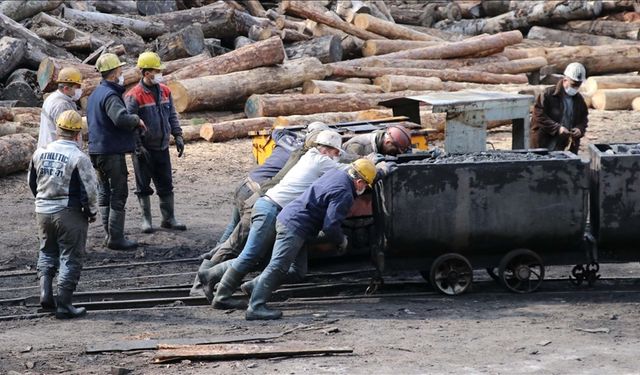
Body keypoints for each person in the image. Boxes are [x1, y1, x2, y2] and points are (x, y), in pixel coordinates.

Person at [200, 130, 346, 308]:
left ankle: (238, 283)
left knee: (292, 268)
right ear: (327, 149)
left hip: (281, 212)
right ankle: (218, 289)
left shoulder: (310, 155)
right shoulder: (321, 161)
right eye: (336, 152)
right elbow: (347, 172)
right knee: (251, 255)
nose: (336, 156)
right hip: (272, 209)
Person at [245, 158, 377, 320]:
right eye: (365, 185)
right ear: (358, 181)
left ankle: (254, 286)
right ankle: (255, 307)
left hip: (294, 221)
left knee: (297, 271)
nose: (364, 189)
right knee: (278, 266)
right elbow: (330, 226)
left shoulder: (336, 174)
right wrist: (341, 240)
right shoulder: (345, 193)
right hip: (294, 226)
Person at [28, 110, 98, 319]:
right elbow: (90, 189)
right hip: (68, 212)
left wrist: (42, 200)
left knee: (47, 251)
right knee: (71, 256)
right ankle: (65, 305)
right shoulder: (78, 157)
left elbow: (32, 182)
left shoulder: (40, 152)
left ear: (57, 130)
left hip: (42, 210)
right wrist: (92, 212)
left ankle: (45, 293)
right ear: (78, 134)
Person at [87, 53, 146, 250]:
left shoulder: (96, 93)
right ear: (113, 74)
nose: (122, 75)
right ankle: (116, 238)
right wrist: (136, 120)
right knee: (118, 193)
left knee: (104, 191)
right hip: (110, 151)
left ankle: (109, 234)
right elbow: (120, 119)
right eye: (120, 71)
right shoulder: (111, 95)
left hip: (96, 150)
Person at [125, 51, 185, 233]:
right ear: (146, 73)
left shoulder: (165, 91)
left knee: (166, 183)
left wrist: (178, 135)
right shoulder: (134, 95)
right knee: (143, 186)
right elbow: (129, 122)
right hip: (144, 148)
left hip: (162, 146)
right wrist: (137, 146)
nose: (159, 74)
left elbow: (172, 115)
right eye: (156, 71)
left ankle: (168, 218)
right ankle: (146, 220)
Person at [531, 62, 589, 154]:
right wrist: (557, 128)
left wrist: (579, 129)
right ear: (565, 80)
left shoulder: (579, 100)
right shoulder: (548, 95)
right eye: (573, 84)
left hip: (563, 145)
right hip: (544, 142)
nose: (575, 88)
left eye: (578, 85)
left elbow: (583, 119)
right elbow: (538, 115)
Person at [38, 67, 83, 149]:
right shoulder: (62, 105)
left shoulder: (51, 97)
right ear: (66, 89)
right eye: (77, 87)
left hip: (47, 148)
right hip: (58, 151)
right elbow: (67, 133)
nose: (80, 90)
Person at [342, 125, 413, 159]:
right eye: (395, 151)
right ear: (387, 142)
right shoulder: (357, 147)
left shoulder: (381, 141)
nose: (394, 153)